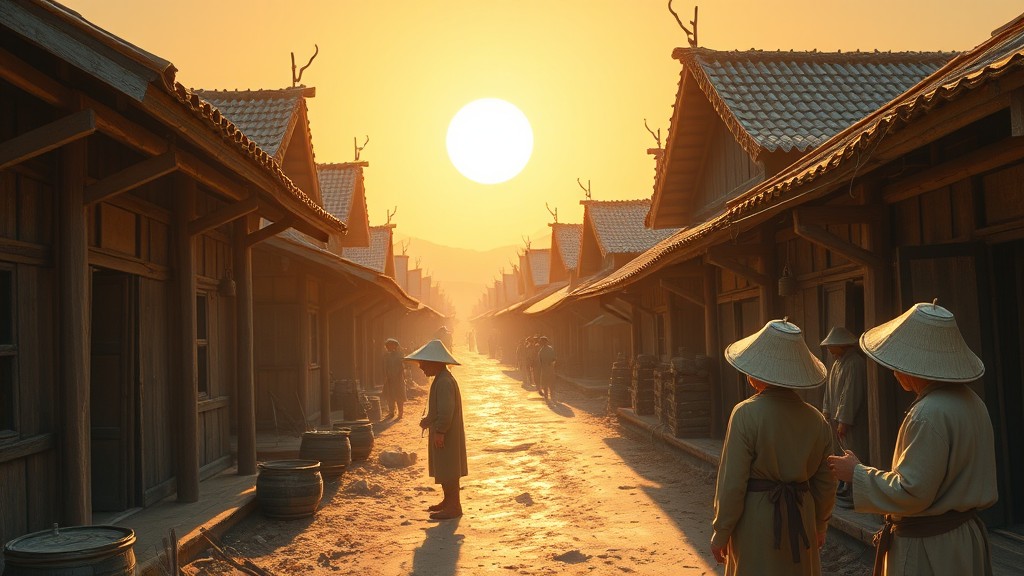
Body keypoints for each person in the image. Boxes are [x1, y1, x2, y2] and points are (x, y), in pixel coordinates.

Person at [828, 302, 998, 576]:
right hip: (962, 540)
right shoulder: (972, 402)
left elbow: (911, 492)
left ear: (914, 366)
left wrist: (856, 473)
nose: (894, 372)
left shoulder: (928, 414)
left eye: (897, 363)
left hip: (930, 549)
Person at [711, 319, 836, 575]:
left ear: (757, 373)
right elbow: (826, 482)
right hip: (801, 516)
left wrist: (721, 531)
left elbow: (732, 483)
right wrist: (820, 524)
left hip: (756, 521)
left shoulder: (746, 414)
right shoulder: (816, 420)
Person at [408, 339, 468, 521]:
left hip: (447, 434)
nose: (421, 368)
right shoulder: (441, 378)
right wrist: (428, 421)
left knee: (449, 470)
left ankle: (454, 506)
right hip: (443, 431)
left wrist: (440, 431)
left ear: (434, 363)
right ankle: (448, 501)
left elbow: (446, 410)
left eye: (423, 364)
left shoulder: (444, 382)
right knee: (444, 468)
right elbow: (438, 409)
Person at [819, 326, 868, 505]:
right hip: (836, 419)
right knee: (841, 449)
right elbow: (829, 391)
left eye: (832, 346)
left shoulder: (855, 363)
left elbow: (850, 394)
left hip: (850, 421)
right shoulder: (838, 364)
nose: (830, 350)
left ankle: (855, 489)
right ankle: (845, 486)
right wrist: (826, 410)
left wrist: (844, 420)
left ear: (842, 345)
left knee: (854, 449)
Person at [382, 338, 406, 420]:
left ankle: (400, 413)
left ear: (395, 345)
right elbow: (385, 367)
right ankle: (391, 412)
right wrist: (387, 375)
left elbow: (402, 367)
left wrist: (399, 375)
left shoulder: (400, 355)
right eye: (387, 346)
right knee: (390, 396)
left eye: (390, 345)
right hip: (389, 379)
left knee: (399, 396)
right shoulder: (387, 356)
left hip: (398, 379)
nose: (388, 347)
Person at [536, 336, 557, 400]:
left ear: (546, 342)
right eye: (542, 342)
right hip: (545, 369)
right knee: (545, 382)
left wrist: (552, 365)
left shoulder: (549, 349)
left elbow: (554, 359)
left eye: (544, 342)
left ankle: (551, 395)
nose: (543, 343)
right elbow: (540, 361)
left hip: (549, 369)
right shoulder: (541, 351)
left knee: (550, 382)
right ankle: (546, 395)